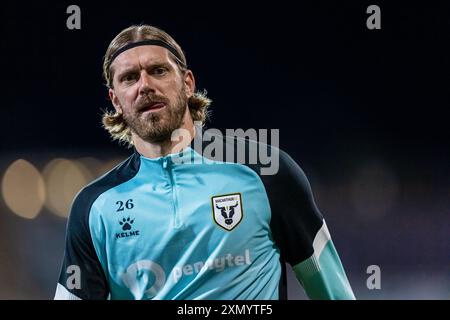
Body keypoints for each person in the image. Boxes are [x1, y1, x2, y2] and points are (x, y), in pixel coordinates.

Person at [54, 24, 355, 300]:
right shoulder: (94, 209)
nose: (144, 85)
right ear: (116, 100)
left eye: (158, 71)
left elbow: (333, 293)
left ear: (187, 83)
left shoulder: (266, 171)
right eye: (129, 78)